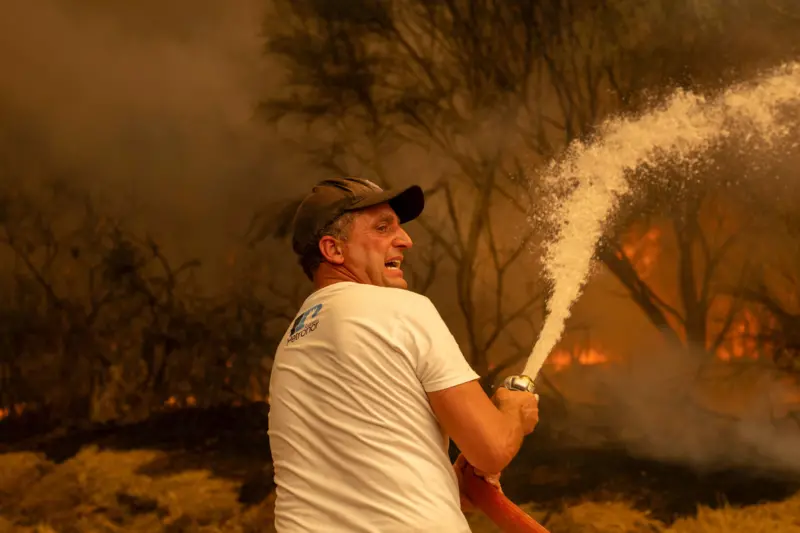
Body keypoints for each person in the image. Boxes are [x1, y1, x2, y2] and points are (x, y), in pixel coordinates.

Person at [268, 177, 540, 533]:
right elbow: (491, 449)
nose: (406, 240)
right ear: (333, 250)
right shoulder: (400, 308)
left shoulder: (292, 344)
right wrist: (513, 411)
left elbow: (362, 471)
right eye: (383, 228)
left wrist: (446, 480)